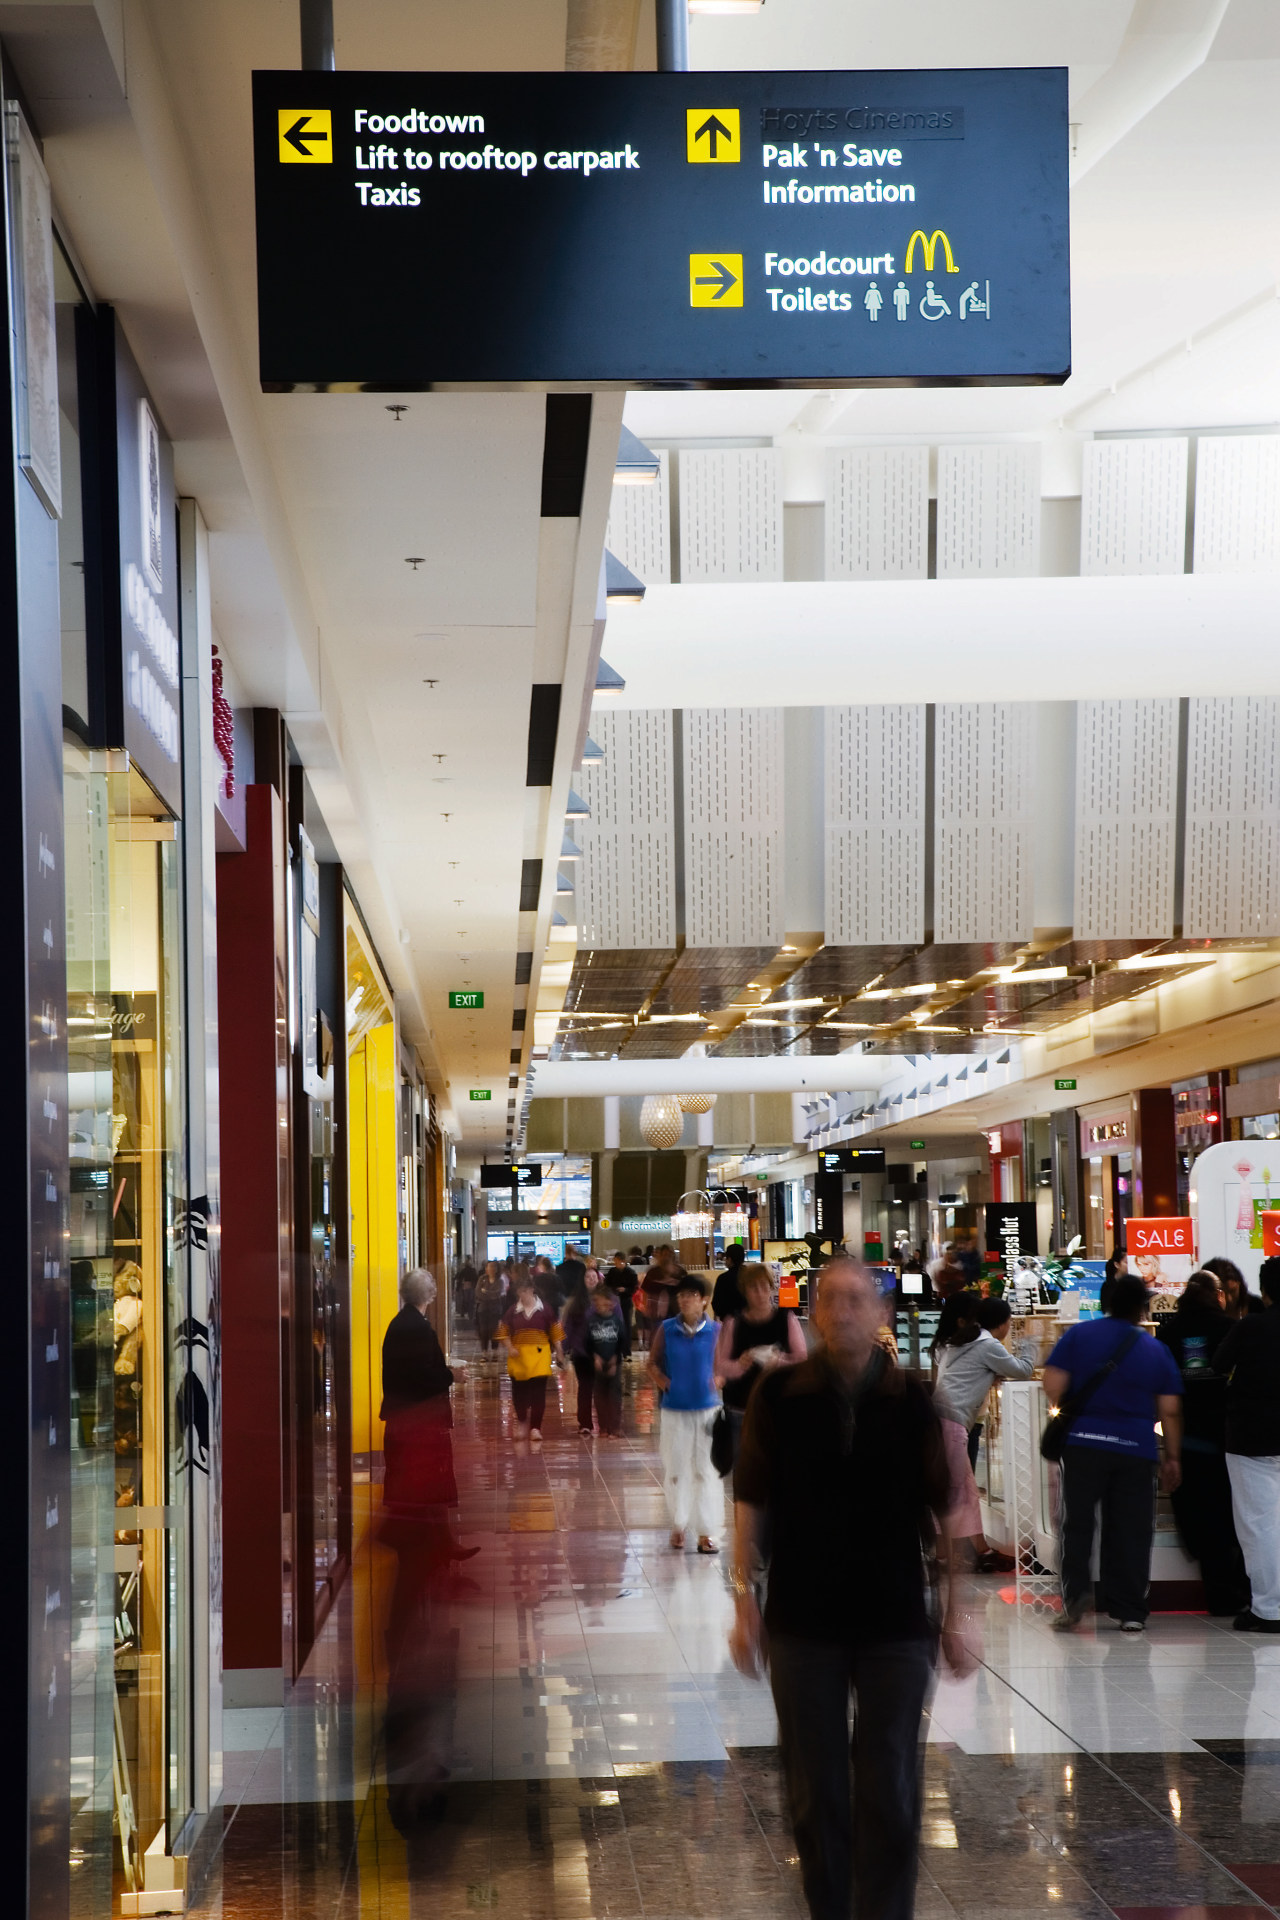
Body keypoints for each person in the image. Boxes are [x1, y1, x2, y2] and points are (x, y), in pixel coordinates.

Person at [729, 1259, 972, 1920]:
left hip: (894, 1621)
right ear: (813, 1313)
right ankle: (829, 1907)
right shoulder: (779, 1397)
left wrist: (958, 1614)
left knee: (890, 1782)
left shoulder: (915, 1401)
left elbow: (948, 1516)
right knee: (815, 1788)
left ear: (882, 1315)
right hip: (803, 1621)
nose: (842, 1312)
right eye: (830, 1301)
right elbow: (749, 1501)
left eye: (856, 1300)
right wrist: (743, 1601)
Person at [1042, 1275, 1183, 1633]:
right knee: (1132, 1528)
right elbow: (1169, 1410)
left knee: (1077, 1525)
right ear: (1140, 1307)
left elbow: (1053, 1382)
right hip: (1136, 1448)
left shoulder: (1079, 1336)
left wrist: (1067, 1408)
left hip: (1084, 1444)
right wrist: (1173, 1457)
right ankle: (1130, 1610)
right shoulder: (1155, 1349)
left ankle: (1074, 1601)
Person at [1156, 1269, 1249, 1617]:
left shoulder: (1167, 1333)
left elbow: (1166, 1398)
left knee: (1198, 1516)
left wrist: (1171, 1455)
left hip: (1186, 1439)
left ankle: (1218, 1592)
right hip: (1229, 1439)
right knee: (1232, 1518)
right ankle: (1237, 1591)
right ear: (1219, 1295)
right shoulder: (1231, 1329)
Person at [933, 1291, 1034, 1573]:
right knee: (960, 1490)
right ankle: (954, 1552)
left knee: (960, 1489)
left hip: (939, 1421)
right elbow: (1024, 1370)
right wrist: (1029, 1344)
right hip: (951, 1424)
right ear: (1002, 1324)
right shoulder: (987, 1344)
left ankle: (972, 1550)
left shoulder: (960, 1342)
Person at [1217, 1254, 1280, 1632]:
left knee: (1259, 1525)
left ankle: (1269, 1608)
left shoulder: (1251, 1327)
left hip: (1252, 1437)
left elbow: (1219, 1363)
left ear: (1265, 1290)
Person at [648, 1274, 722, 1553]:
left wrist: (719, 1380)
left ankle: (706, 1532)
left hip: (707, 1410)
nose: (685, 1300)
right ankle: (679, 1524)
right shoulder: (666, 1329)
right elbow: (652, 1363)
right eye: (681, 1295)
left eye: (691, 1295)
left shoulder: (716, 1330)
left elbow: (723, 1366)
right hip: (675, 1410)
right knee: (677, 1469)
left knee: (706, 1470)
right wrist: (665, 1383)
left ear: (704, 1300)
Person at [714, 1261, 807, 1463]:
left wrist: (779, 1361)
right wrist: (741, 1364)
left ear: (771, 1288)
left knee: (780, 1467)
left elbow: (801, 1359)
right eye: (753, 1287)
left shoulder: (786, 1319)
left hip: (780, 1406)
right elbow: (720, 1365)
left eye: (764, 1286)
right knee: (745, 1467)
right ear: (745, 1292)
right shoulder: (734, 1323)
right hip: (741, 1407)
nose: (759, 1292)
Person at [498, 1267, 563, 1442]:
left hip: (540, 1357)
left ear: (532, 1290)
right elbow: (503, 1332)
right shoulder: (513, 1311)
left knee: (538, 1394)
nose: (522, 1296)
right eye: (519, 1292)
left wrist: (560, 1353)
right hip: (518, 1357)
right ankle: (521, 1422)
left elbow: (555, 1333)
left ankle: (535, 1428)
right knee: (519, 1393)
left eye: (525, 1292)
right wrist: (510, 1347)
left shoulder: (545, 1310)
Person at [584, 1281, 630, 1436]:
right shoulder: (591, 1321)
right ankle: (603, 1426)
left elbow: (622, 1341)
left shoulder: (616, 1321)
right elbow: (587, 1342)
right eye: (595, 1302)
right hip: (597, 1363)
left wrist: (615, 1360)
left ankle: (615, 1426)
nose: (598, 1305)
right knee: (599, 1396)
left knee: (614, 1395)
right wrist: (595, 1357)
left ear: (609, 1303)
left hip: (613, 1363)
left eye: (601, 1301)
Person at [558, 1258, 597, 1436]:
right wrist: (563, 1350)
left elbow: (618, 1324)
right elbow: (568, 1328)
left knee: (604, 1388)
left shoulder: (606, 1299)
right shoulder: (576, 1303)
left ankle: (607, 1422)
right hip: (582, 1352)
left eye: (594, 1276)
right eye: (588, 1277)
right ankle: (585, 1423)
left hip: (602, 1351)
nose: (591, 1279)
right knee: (586, 1387)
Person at [1203, 1255, 1264, 1320]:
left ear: (1239, 1285)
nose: (1229, 1299)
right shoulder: (1204, 1314)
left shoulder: (1257, 1306)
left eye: (1233, 1291)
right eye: (1222, 1293)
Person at [711, 1241, 748, 1322]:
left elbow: (717, 1305)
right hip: (749, 1322)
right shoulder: (751, 1276)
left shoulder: (723, 1278)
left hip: (729, 1322)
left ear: (729, 1259)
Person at [473, 1261, 504, 1358]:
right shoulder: (482, 1279)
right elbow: (478, 1293)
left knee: (494, 1330)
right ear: (486, 1268)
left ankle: (494, 1351)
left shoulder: (500, 1281)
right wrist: (489, 1294)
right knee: (483, 1331)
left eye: (493, 1267)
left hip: (495, 1310)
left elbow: (497, 1293)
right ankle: (484, 1352)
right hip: (483, 1309)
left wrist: (486, 1292)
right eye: (489, 1267)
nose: (491, 1269)